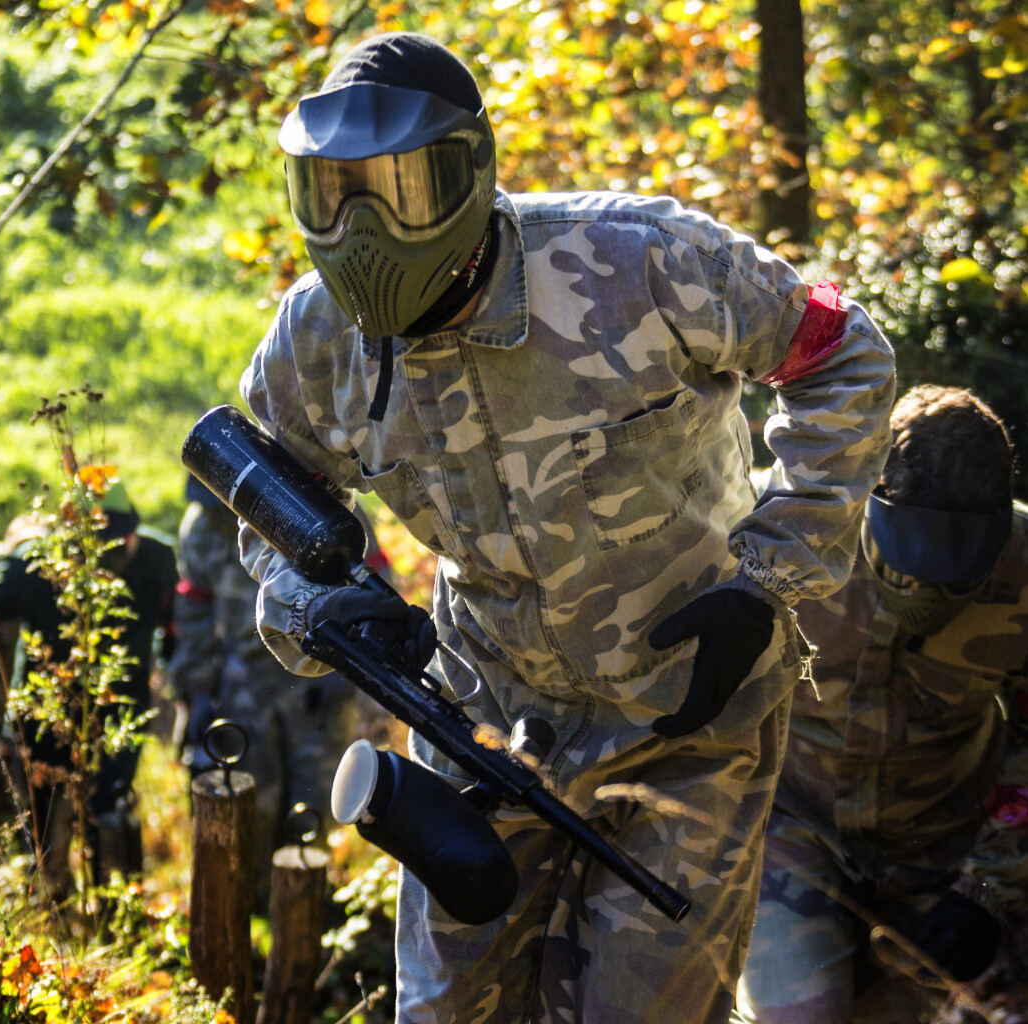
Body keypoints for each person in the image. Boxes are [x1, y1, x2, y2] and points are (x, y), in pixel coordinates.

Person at [235, 31, 896, 1024]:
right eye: (335, 192)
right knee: (446, 1014)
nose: (364, 226)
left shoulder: (640, 262)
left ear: (470, 174)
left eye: (401, 188)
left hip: (687, 719)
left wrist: (767, 582)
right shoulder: (313, 340)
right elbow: (274, 506)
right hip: (483, 721)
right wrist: (329, 605)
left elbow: (841, 351)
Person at [737, 384, 1028, 1023]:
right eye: (910, 567)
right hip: (792, 830)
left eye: (952, 576)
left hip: (936, 865)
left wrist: (985, 890)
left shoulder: (1023, 573)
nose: (925, 585)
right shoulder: (788, 524)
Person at [169, 474, 383, 902]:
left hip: (320, 686)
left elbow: (376, 601)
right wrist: (193, 697)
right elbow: (193, 617)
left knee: (316, 799)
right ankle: (254, 905)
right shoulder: (201, 528)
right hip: (244, 689)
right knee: (253, 799)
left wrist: (349, 673)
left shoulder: (333, 515)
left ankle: (306, 906)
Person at [0, 482, 177, 898]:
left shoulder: (157, 561)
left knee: (110, 809)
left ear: (133, 532)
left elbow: (178, 628)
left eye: (115, 543)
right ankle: (42, 899)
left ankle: (112, 904)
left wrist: (181, 684)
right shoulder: (32, 565)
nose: (105, 558)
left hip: (120, 709)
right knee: (39, 813)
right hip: (42, 709)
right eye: (93, 547)